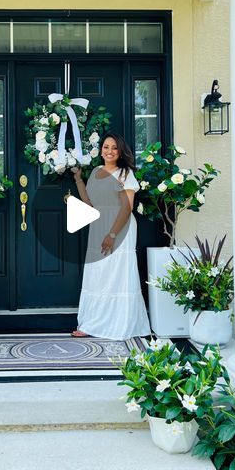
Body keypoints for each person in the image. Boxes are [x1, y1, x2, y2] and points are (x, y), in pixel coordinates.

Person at [71, 132, 150, 339]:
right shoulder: (96, 171)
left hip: (119, 226)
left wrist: (113, 234)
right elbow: (89, 203)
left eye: (114, 148)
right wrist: (79, 180)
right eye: (106, 147)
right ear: (101, 149)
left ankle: (119, 323)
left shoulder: (125, 174)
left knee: (118, 273)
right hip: (98, 225)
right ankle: (92, 323)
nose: (109, 151)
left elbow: (128, 207)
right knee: (98, 274)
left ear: (120, 151)